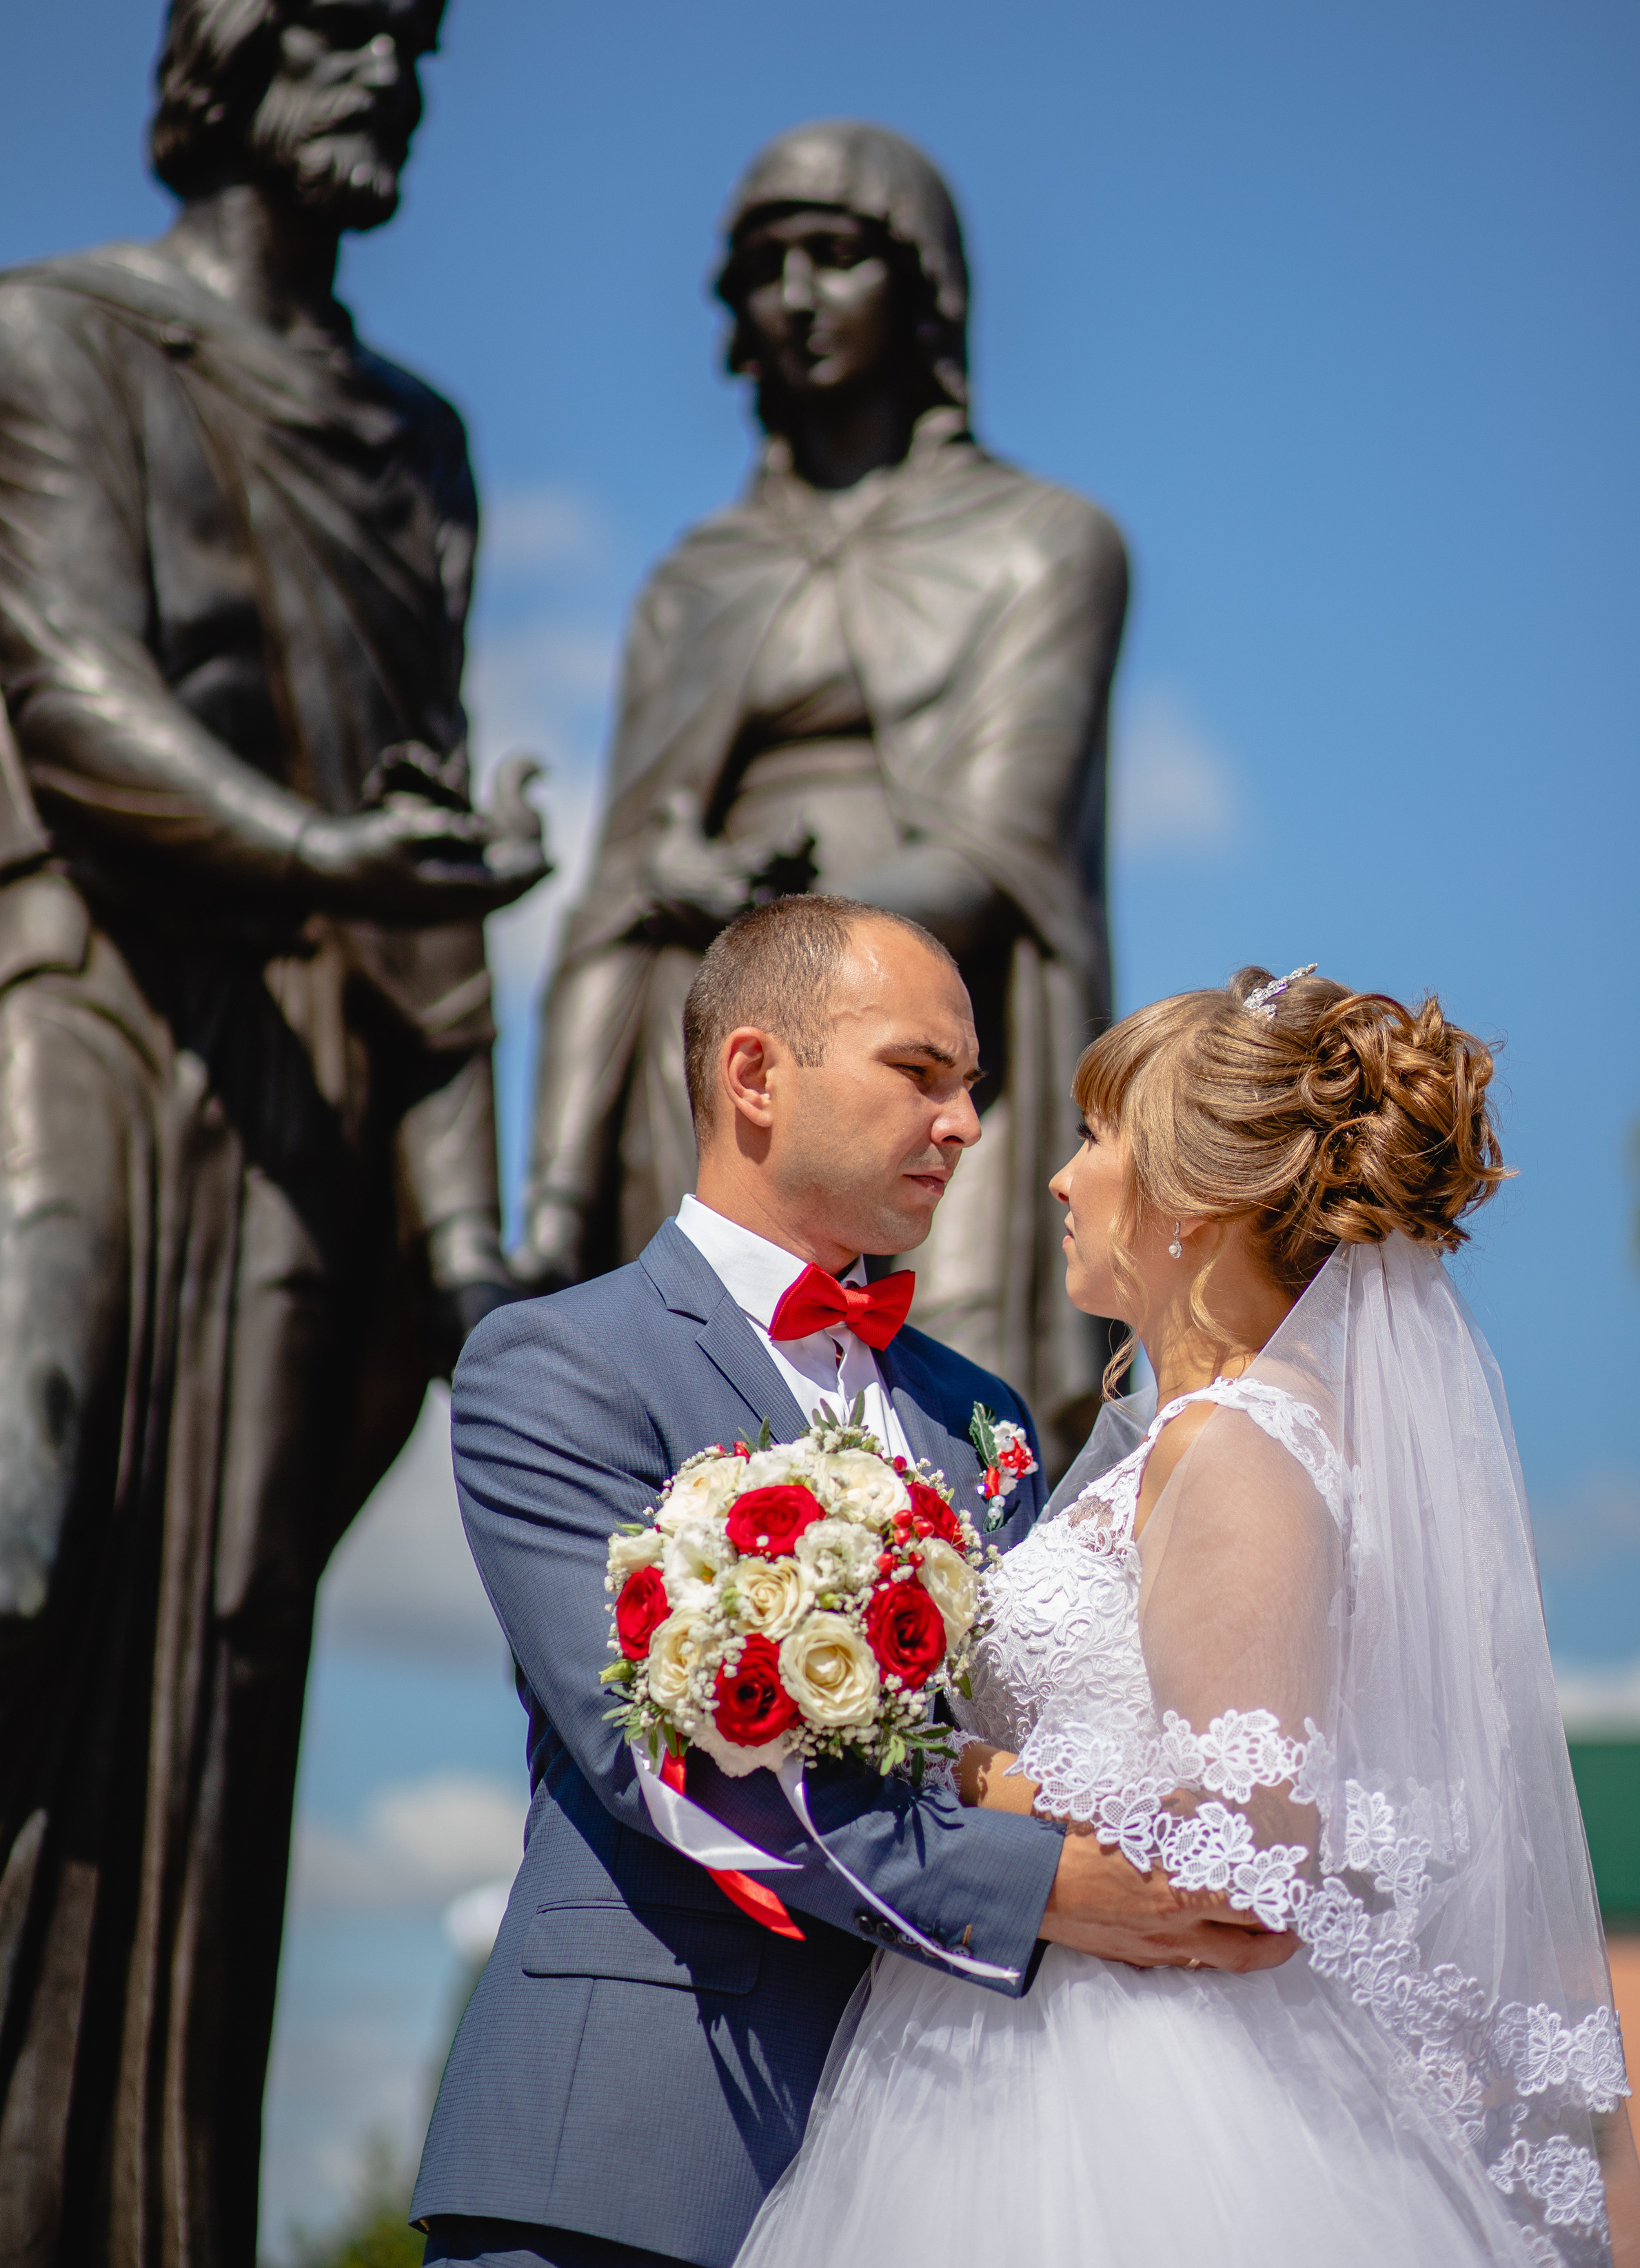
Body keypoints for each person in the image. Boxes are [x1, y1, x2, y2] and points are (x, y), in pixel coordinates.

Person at [0, 0, 545, 2265]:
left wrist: (473, 1244)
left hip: (298, 1085)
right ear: (230, 70)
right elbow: (70, 703)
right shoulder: (36, 343)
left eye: (413, 57)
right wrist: (324, 845)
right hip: (58, 988)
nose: (393, 88)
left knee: (234, 1675)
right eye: (346, 44)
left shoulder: (416, 445)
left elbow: (429, 850)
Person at [414, 896, 1292, 2268]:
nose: (965, 1126)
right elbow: (661, 1764)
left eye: (971, 1088)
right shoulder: (556, 1367)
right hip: (633, 2152)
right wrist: (1050, 1891)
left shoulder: (979, 1413)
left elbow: (1021, 1723)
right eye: (919, 1074)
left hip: (944, 2156)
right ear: (754, 1075)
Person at [734, 965, 1640, 2268]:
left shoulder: (1235, 1447)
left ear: (1198, 1203)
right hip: (1022, 2026)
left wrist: (953, 1771)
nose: (1060, 1176)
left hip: (1127, 2083)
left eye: (1100, 1138)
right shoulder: (1213, 1436)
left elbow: (1246, 1850)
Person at [514, 121, 1128, 1457]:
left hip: (939, 1070)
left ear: (923, 291)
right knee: (690, 1517)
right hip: (709, 1077)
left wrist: (765, 914)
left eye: (836, 257)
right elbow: (612, 892)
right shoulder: (695, 580)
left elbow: (993, 853)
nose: (794, 299)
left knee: (939, 1474)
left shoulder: (1041, 547)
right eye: (763, 267)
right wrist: (551, 1201)